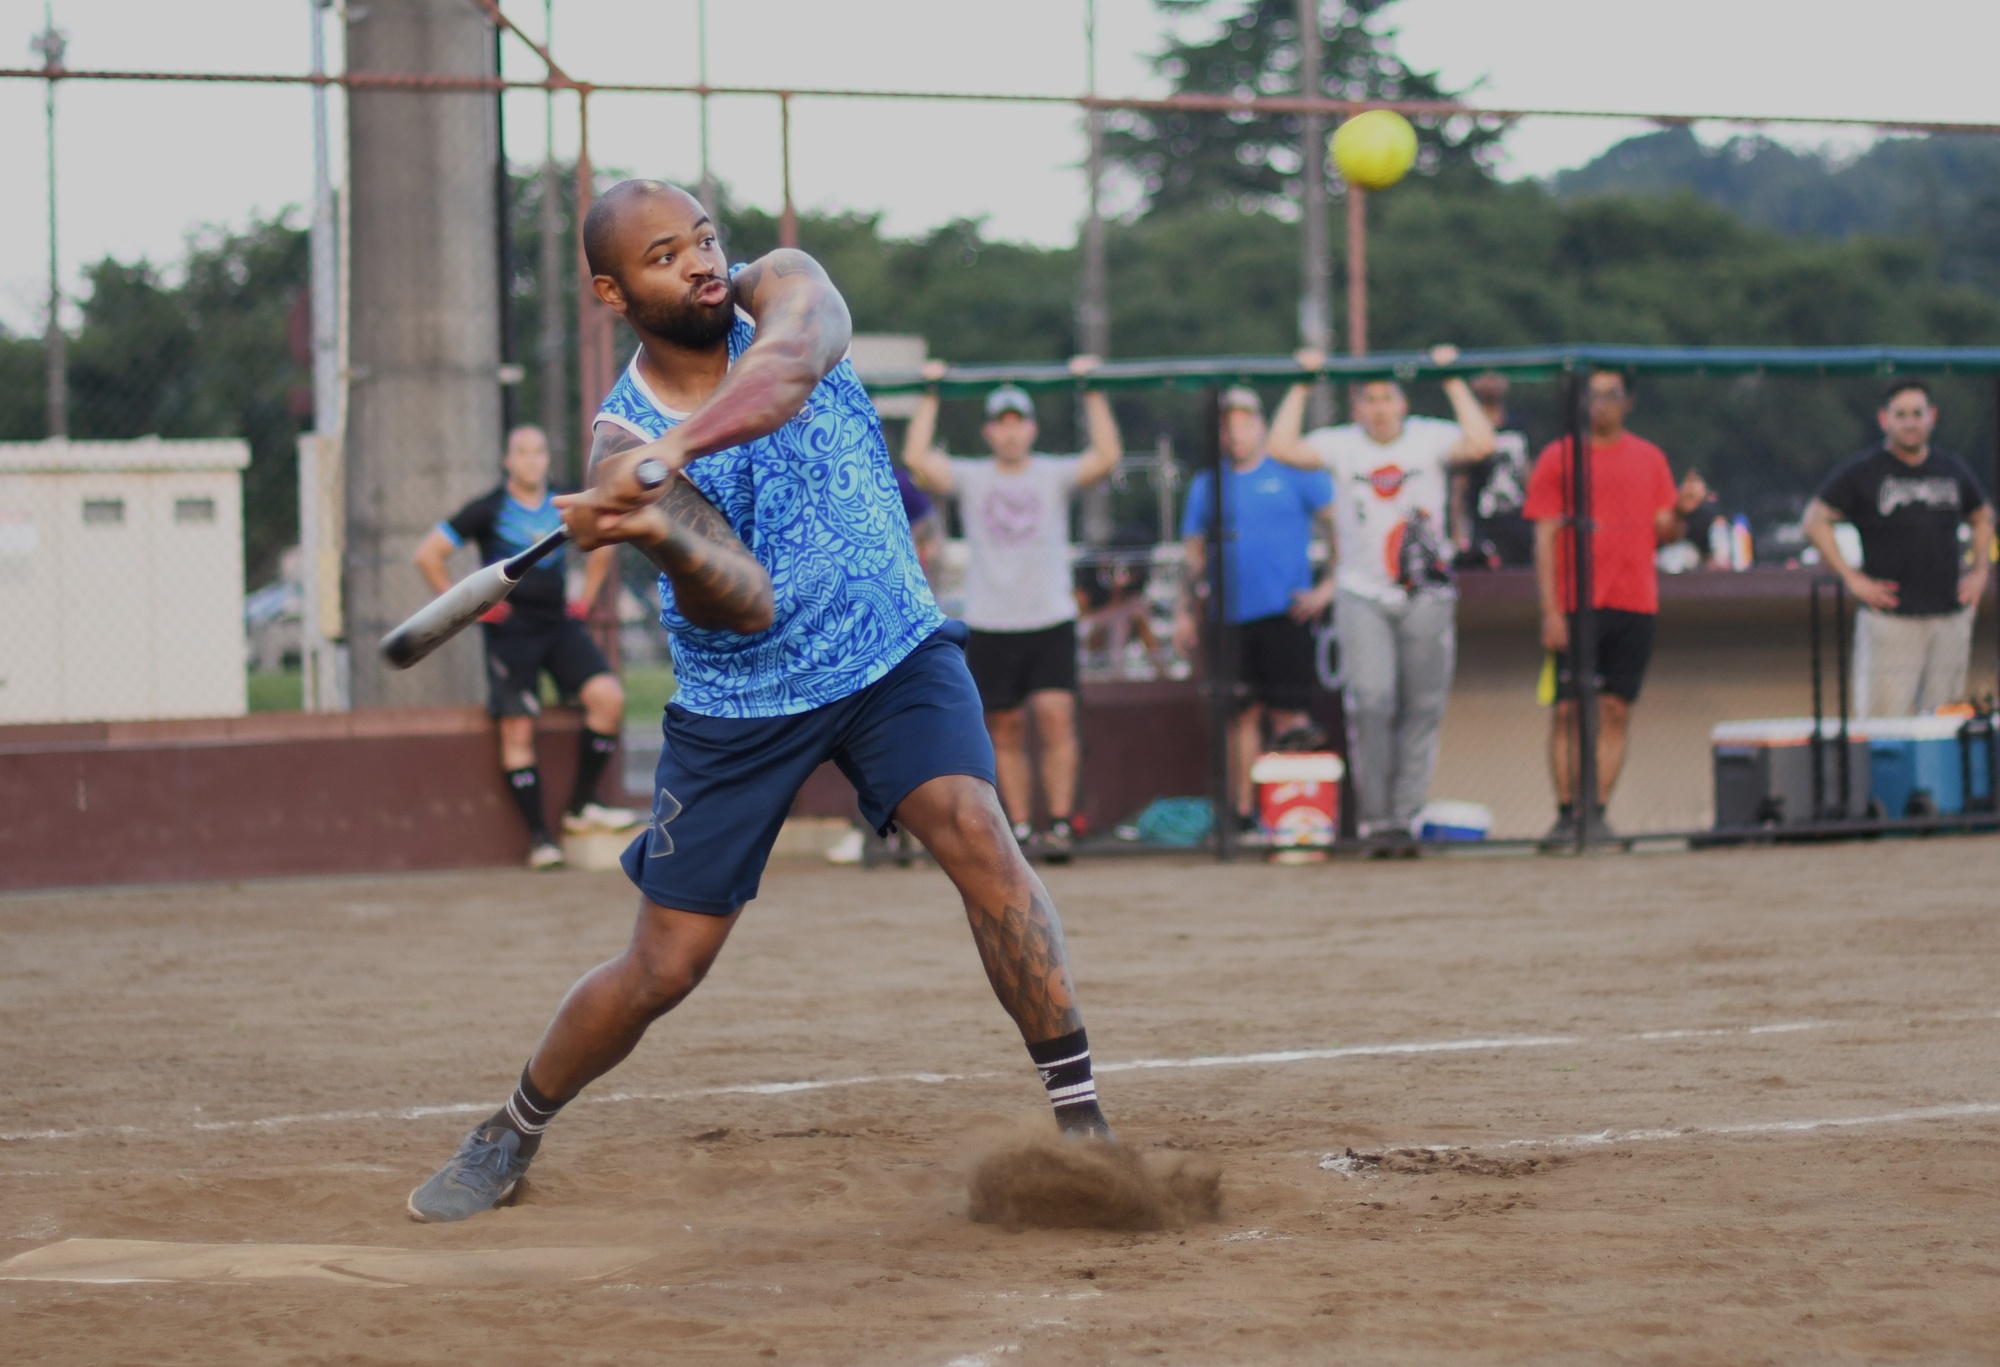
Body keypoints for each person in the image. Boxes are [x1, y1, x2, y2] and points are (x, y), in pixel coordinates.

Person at [406, 182, 1112, 1224]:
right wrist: (652, 526)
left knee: (975, 829)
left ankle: (1084, 1127)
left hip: (890, 649)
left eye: (701, 239)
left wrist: (678, 454)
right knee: (664, 965)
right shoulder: (616, 446)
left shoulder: (782, 287)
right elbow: (741, 601)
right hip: (744, 702)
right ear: (611, 290)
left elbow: (785, 374)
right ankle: (511, 1124)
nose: (698, 261)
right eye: (662, 256)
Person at [1267, 346, 1497, 846]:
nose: (1378, 408)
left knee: (1422, 707)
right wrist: (1303, 382)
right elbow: (1282, 446)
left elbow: (1481, 443)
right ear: (1356, 408)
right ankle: (1376, 820)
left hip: (1426, 593)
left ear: (1403, 403)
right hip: (1361, 591)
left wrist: (1453, 377)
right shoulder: (1341, 445)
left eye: (1386, 398)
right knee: (1370, 702)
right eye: (1368, 399)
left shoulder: (1430, 438)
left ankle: (1405, 818)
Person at [903, 362, 1124, 859]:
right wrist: (932, 391)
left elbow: (1107, 456)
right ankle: (1021, 826)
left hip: (1048, 616)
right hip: (991, 619)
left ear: (1031, 428)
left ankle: (1062, 824)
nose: (1009, 431)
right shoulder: (973, 476)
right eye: (1000, 422)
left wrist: (1091, 390)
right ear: (988, 431)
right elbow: (917, 457)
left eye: (1017, 421)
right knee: (1003, 726)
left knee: (1055, 716)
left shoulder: (1052, 473)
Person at [414, 424, 640, 871]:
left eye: (539, 452)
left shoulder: (565, 504)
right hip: (511, 633)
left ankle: (581, 807)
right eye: (523, 452)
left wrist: (587, 596)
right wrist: (470, 608)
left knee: (608, 699)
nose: (532, 460)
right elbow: (428, 554)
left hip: (559, 624)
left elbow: (607, 540)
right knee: (516, 730)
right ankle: (541, 840)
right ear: (508, 461)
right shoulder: (489, 509)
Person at [1522, 368, 1708, 845]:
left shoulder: (1649, 458)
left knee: (1614, 709)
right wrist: (1550, 610)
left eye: (1612, 395)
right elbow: (1544, 536)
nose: (1602, 404)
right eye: (1593, 395)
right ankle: (1566, 816)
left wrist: (1684, 510)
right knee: (1567, 711)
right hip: (1575, 602)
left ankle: (1597, 813)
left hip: (1633, 599)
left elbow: (1664, 529)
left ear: (1629, 402)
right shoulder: (1558, 458)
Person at [1173, 387, 1335, 836]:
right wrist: (1186, 611)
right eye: (1227, 423)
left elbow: (1344, 531)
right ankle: (1241, 814)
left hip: (1287, 614)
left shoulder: (1296, 473)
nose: (1236, 432)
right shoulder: (1208, 484)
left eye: (1244, 421)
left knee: (1290, 716)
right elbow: (1193, 556)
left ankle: (1294, 815)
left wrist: (1326, 589)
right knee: (1238, 716)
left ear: (1261, 424)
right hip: (1229, 619)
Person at [1803, 379, 1994, 719]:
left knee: (1946, 722)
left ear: (1932, 417)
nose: (1910, 422)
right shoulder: (1864, 471)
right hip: (1890, 619)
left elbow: (1982, 516)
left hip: (1949, 615)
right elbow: (1815, 520)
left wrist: (1980, 572)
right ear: (1884, 419)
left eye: (1917, 413)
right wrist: (1853, 578)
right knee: (1883, 724)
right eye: (1901, 414)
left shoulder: (1952, 469)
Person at [1450, 371, 1534, 567]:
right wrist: (1457, 531)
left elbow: (1527, 471)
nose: (1491, 383)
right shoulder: (1465, 430)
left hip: (1517, 519)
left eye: (1496, 376)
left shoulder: (1518, 425)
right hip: (1481, 521)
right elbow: (1459, 484)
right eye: (1484, 376)